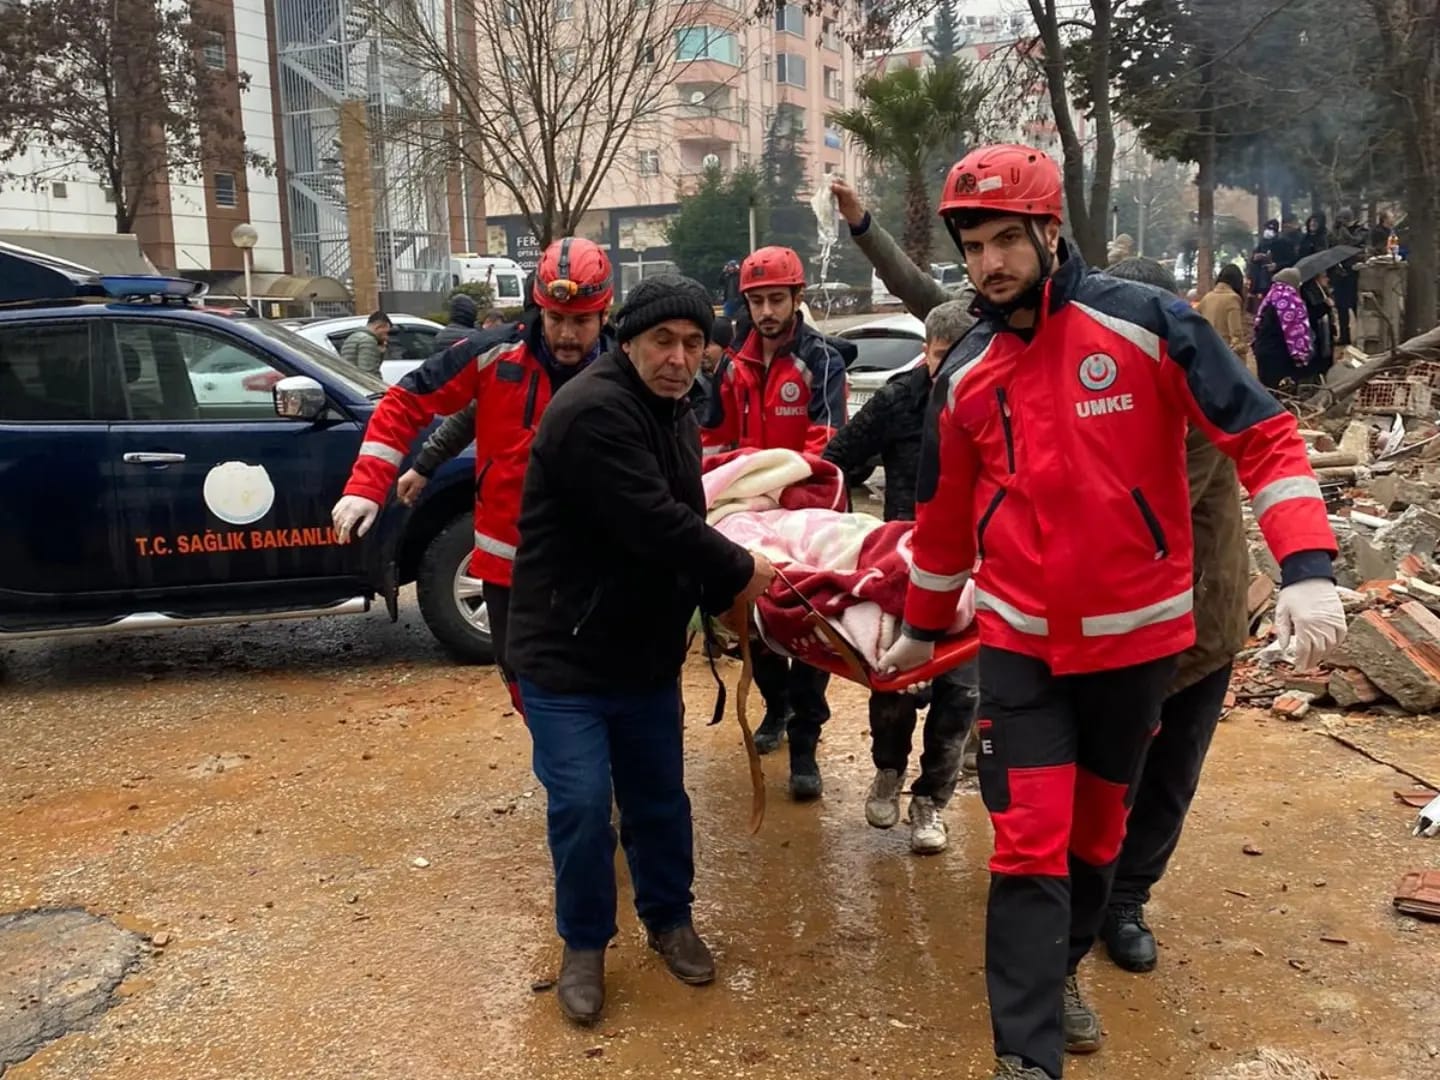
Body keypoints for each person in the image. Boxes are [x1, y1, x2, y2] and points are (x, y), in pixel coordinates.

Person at [879, 143, 1345, 1080]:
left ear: (1052, 232)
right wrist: (922, 626)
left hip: (1138, 647)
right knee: (1027, 840)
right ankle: (1026, 1056)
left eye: (1007, 239)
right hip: (1020, 645)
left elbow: (1262, 435)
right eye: (973, 247)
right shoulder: (965, 373)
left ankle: (1060, 972)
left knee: (1096, 838)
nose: (990, 265)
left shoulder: (1149, 326)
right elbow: (940, 525)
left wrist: (1304, 565)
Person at [505, 274, 775, 1025]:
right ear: (627, 341)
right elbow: (655, 522)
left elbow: (684, 507)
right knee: (586, 805)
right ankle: (585, 945)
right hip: (567, 656)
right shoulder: (593, 411)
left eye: (694, 344)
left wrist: (734, 544)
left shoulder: (673, 409)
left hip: (645, 654)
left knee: (659, 799)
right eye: (664, 341)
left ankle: (670, 918)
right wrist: (741, 569)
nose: (680, 357)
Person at [330, 238, 616, 711]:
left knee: (606, 681)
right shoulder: (493, 356)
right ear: (537, 308)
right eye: (555, 318)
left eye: (581, 321)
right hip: (511, 568)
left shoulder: (627, 368)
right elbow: (406, 402)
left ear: (603, 315)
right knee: (527, 684)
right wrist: (367, 484)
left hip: (602, 565)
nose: (567, 334)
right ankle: (567, 768)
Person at [1098, 256, 1251, 974]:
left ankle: (1125, 900)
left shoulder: (1201, 394)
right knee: (1107, 773)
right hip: (1117, 626)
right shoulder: (1098, 386)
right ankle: (1086, 892)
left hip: (1198, 622)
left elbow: (1147, 511)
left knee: (1168, 775)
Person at [822, 300, 979, 854]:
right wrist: (843, 527)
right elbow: (837, 458)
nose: (953, 370)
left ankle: (930, 802)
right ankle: (887, 769)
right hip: (901, 565)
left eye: (966, 357)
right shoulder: (898, 397)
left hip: (977, 570)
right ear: (925, 354)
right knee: (891, 679)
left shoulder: (997, 396)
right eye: (942, 358)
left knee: (960, 694)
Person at [695, 245, 848, 800]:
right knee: (754, 626)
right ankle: (775, 707)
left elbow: (825, 443)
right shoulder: (733, 364)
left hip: (808, 515)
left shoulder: (821, 361)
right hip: (748, 517)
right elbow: (714, 441)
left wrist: (781, 488)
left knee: (812, 629)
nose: (765, 311)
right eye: (756, 300)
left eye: (775, 299)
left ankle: (806, 743)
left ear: (796, 298)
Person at [1329, 210, 1365, 347]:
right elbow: (1332, 247)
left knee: (1356, 306)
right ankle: (1344, 335)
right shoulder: (1335, 232)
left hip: (1353, 273)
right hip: (1339, 274)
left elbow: (1353, 243)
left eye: (1343, 219)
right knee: (1341, 307)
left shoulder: (1359, 231)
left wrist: (1344, 230)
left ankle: (1362, 336)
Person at [1196, 264, 1248, 358]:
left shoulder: (1207, 297)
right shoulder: (1232, 299)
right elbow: (1236, 334)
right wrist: (1243, 348)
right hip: (1225, 356)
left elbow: (1196, 321)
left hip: (1208, 352)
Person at [1300, 270, 1338, 384]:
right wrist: (1326, 306)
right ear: (1317, 279)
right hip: (1317, 333)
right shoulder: (1308, 291)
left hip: (1326, 331)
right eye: (1324, 277)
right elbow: (1313, 313)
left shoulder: (1323, 291)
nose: (1327, 279)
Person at [340, 311, 391, 377]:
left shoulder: (352, 337)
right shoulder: (369, 341)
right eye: (385, 333)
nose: (386, 337)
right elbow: (369, 373)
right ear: (378, 327)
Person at [1249, 219, 1279, 302]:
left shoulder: (1280, 242)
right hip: (1258, 280)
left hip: (1271, 278)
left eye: (1271, 229)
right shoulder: (1261, 243)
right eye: (1267, 229)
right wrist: (1255, 257)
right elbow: (1253, 258)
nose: (1268, 231)